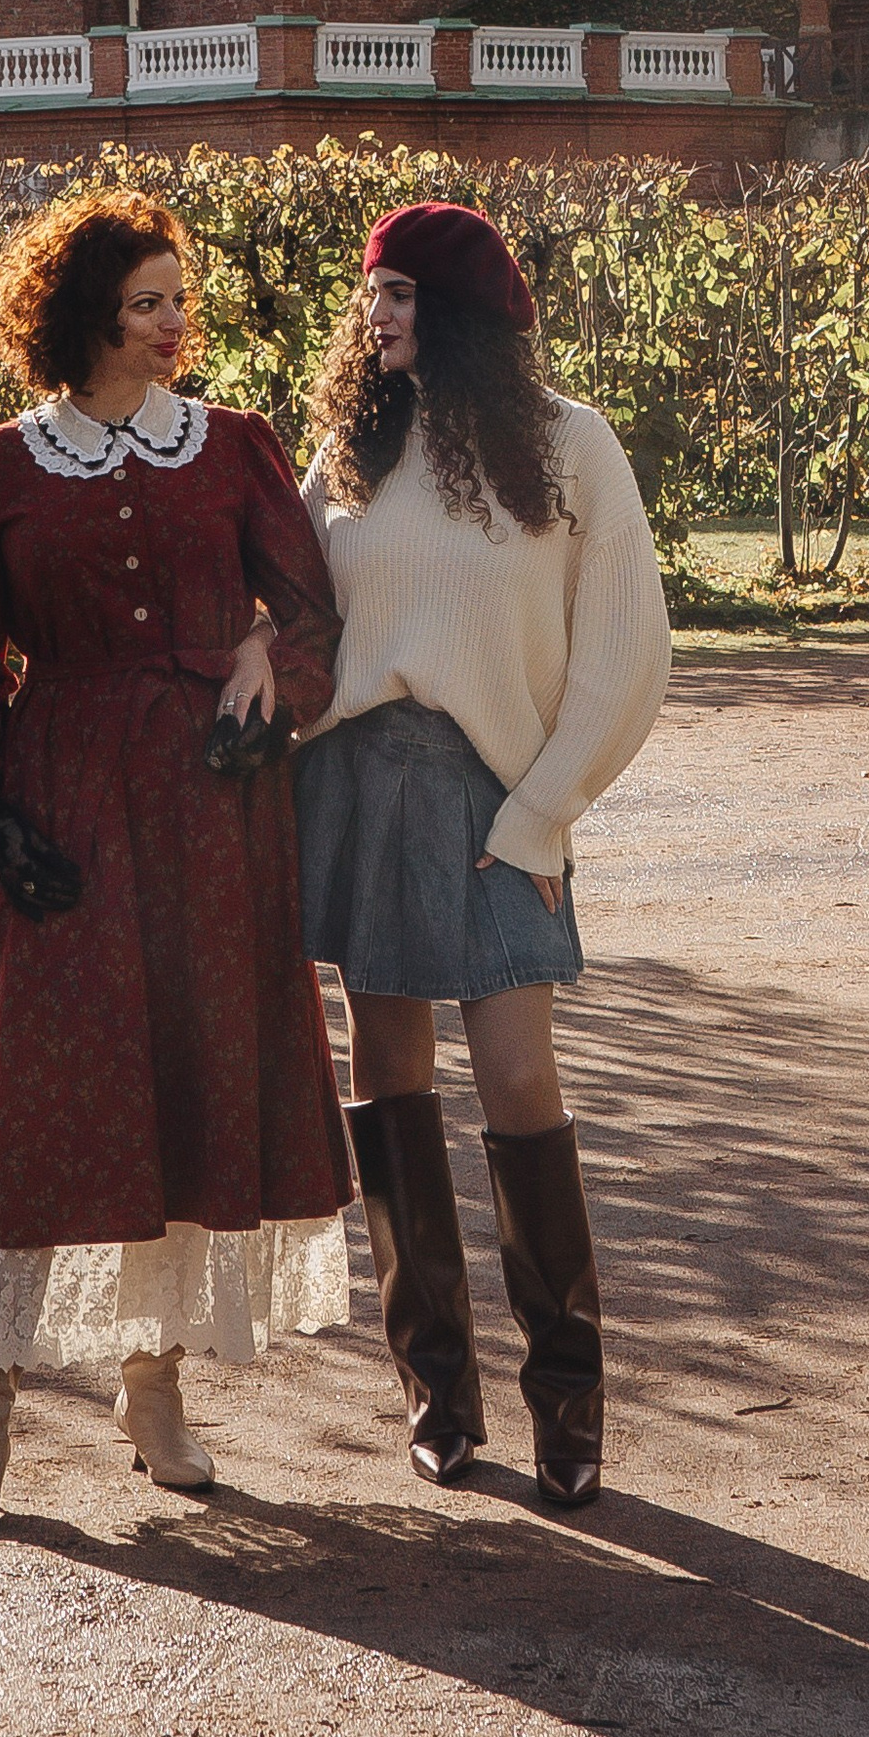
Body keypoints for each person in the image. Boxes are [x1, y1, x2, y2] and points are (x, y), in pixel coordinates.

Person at [0, 184, 354, 1534]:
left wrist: (257, 664)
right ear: (82, 314)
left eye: (181, 298)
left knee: (183, 1093)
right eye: (147, 301)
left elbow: (316, 618)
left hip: (209, 820)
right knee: (40, 1101)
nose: (175, 324)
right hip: (56, 811)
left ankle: (152, 1393)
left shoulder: (235, 449)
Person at [293, 199, 670, 1509]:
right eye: (372, 297)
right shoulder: (349, 449)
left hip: (499, 806)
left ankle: (568, 1401)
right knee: (387, 1073)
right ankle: (437, 1390)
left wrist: (541, 815)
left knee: (518, 1077)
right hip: (356, 792)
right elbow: (290, 615)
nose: (374, 317)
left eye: (397, 296)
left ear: (454, 313)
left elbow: (631, 655)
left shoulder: (572, 450)